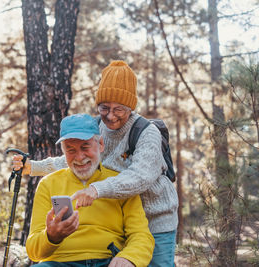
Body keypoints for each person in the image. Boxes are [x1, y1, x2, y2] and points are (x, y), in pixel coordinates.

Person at [14, 61, 179, 267]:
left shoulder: (146, 132)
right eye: (104, 108)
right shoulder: (97, 128)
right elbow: (75, 157)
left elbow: (140, 177)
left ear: (131, 106)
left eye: (119, 109)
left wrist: (96, 189)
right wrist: (34, 167)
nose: (110, 116)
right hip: (115, 209)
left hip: (154, 215)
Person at [26, 113, 154, 266]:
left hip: (108, 261)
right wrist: (51, 236)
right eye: (70, 150)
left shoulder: (119, 183)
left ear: (100, 144)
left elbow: (141, 235)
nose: (79, 157)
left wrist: (129, 257)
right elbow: (33, 251)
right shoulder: (48, 184)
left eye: (85, 147)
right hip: (59, 262)